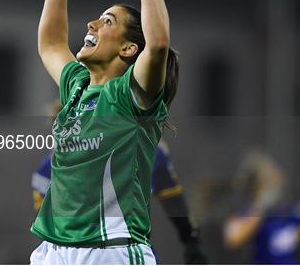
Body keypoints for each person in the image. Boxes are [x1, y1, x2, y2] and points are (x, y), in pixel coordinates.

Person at [30, 0, 177, 264]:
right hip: (54, 251)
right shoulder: (77, 88)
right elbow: (51, 44)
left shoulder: (133, 97)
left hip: (112, 251)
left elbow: (157, 45)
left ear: (127, 49)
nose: (92, 24)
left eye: (107, 22)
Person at [32, 102, 208, 264]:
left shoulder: (150, 152)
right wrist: (191, 239)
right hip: (108, 249)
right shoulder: (50, 167)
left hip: (92, 249)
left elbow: (172, 199)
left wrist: (191, 239)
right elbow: (173, 200)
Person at [223, 152, 300, 264]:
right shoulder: (250, 211)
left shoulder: (288, 209)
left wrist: (298, 234)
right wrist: (261, 208)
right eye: (268, 183)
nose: (274, 187)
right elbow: (233, 239)